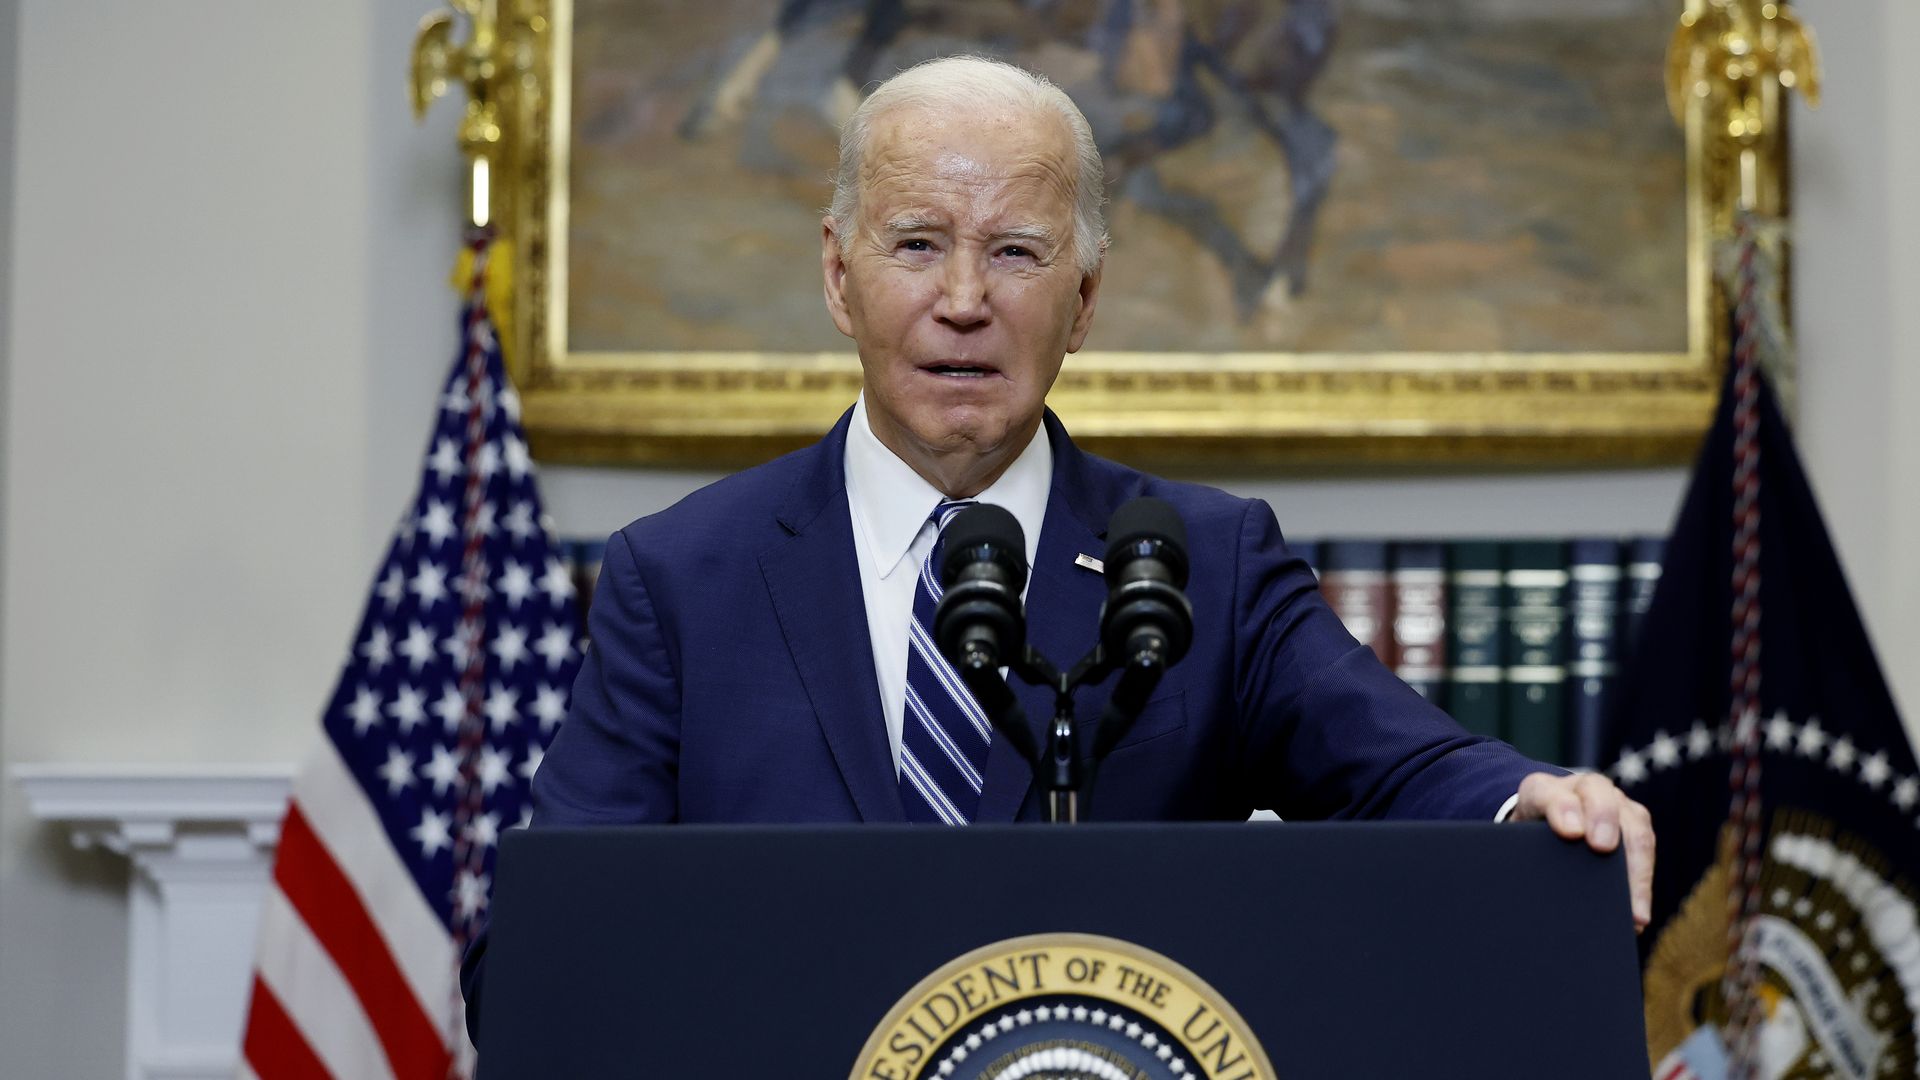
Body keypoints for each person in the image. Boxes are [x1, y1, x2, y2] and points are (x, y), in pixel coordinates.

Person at [468, 54, 1653, 1029]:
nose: (966, 299)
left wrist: (1534, 806)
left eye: (1019, 251)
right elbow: (540, 959)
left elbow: (1406, 769)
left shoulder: (1205, 562)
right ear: (839, 275)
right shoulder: (680, 579)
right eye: (918, 243)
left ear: (1084, 301)